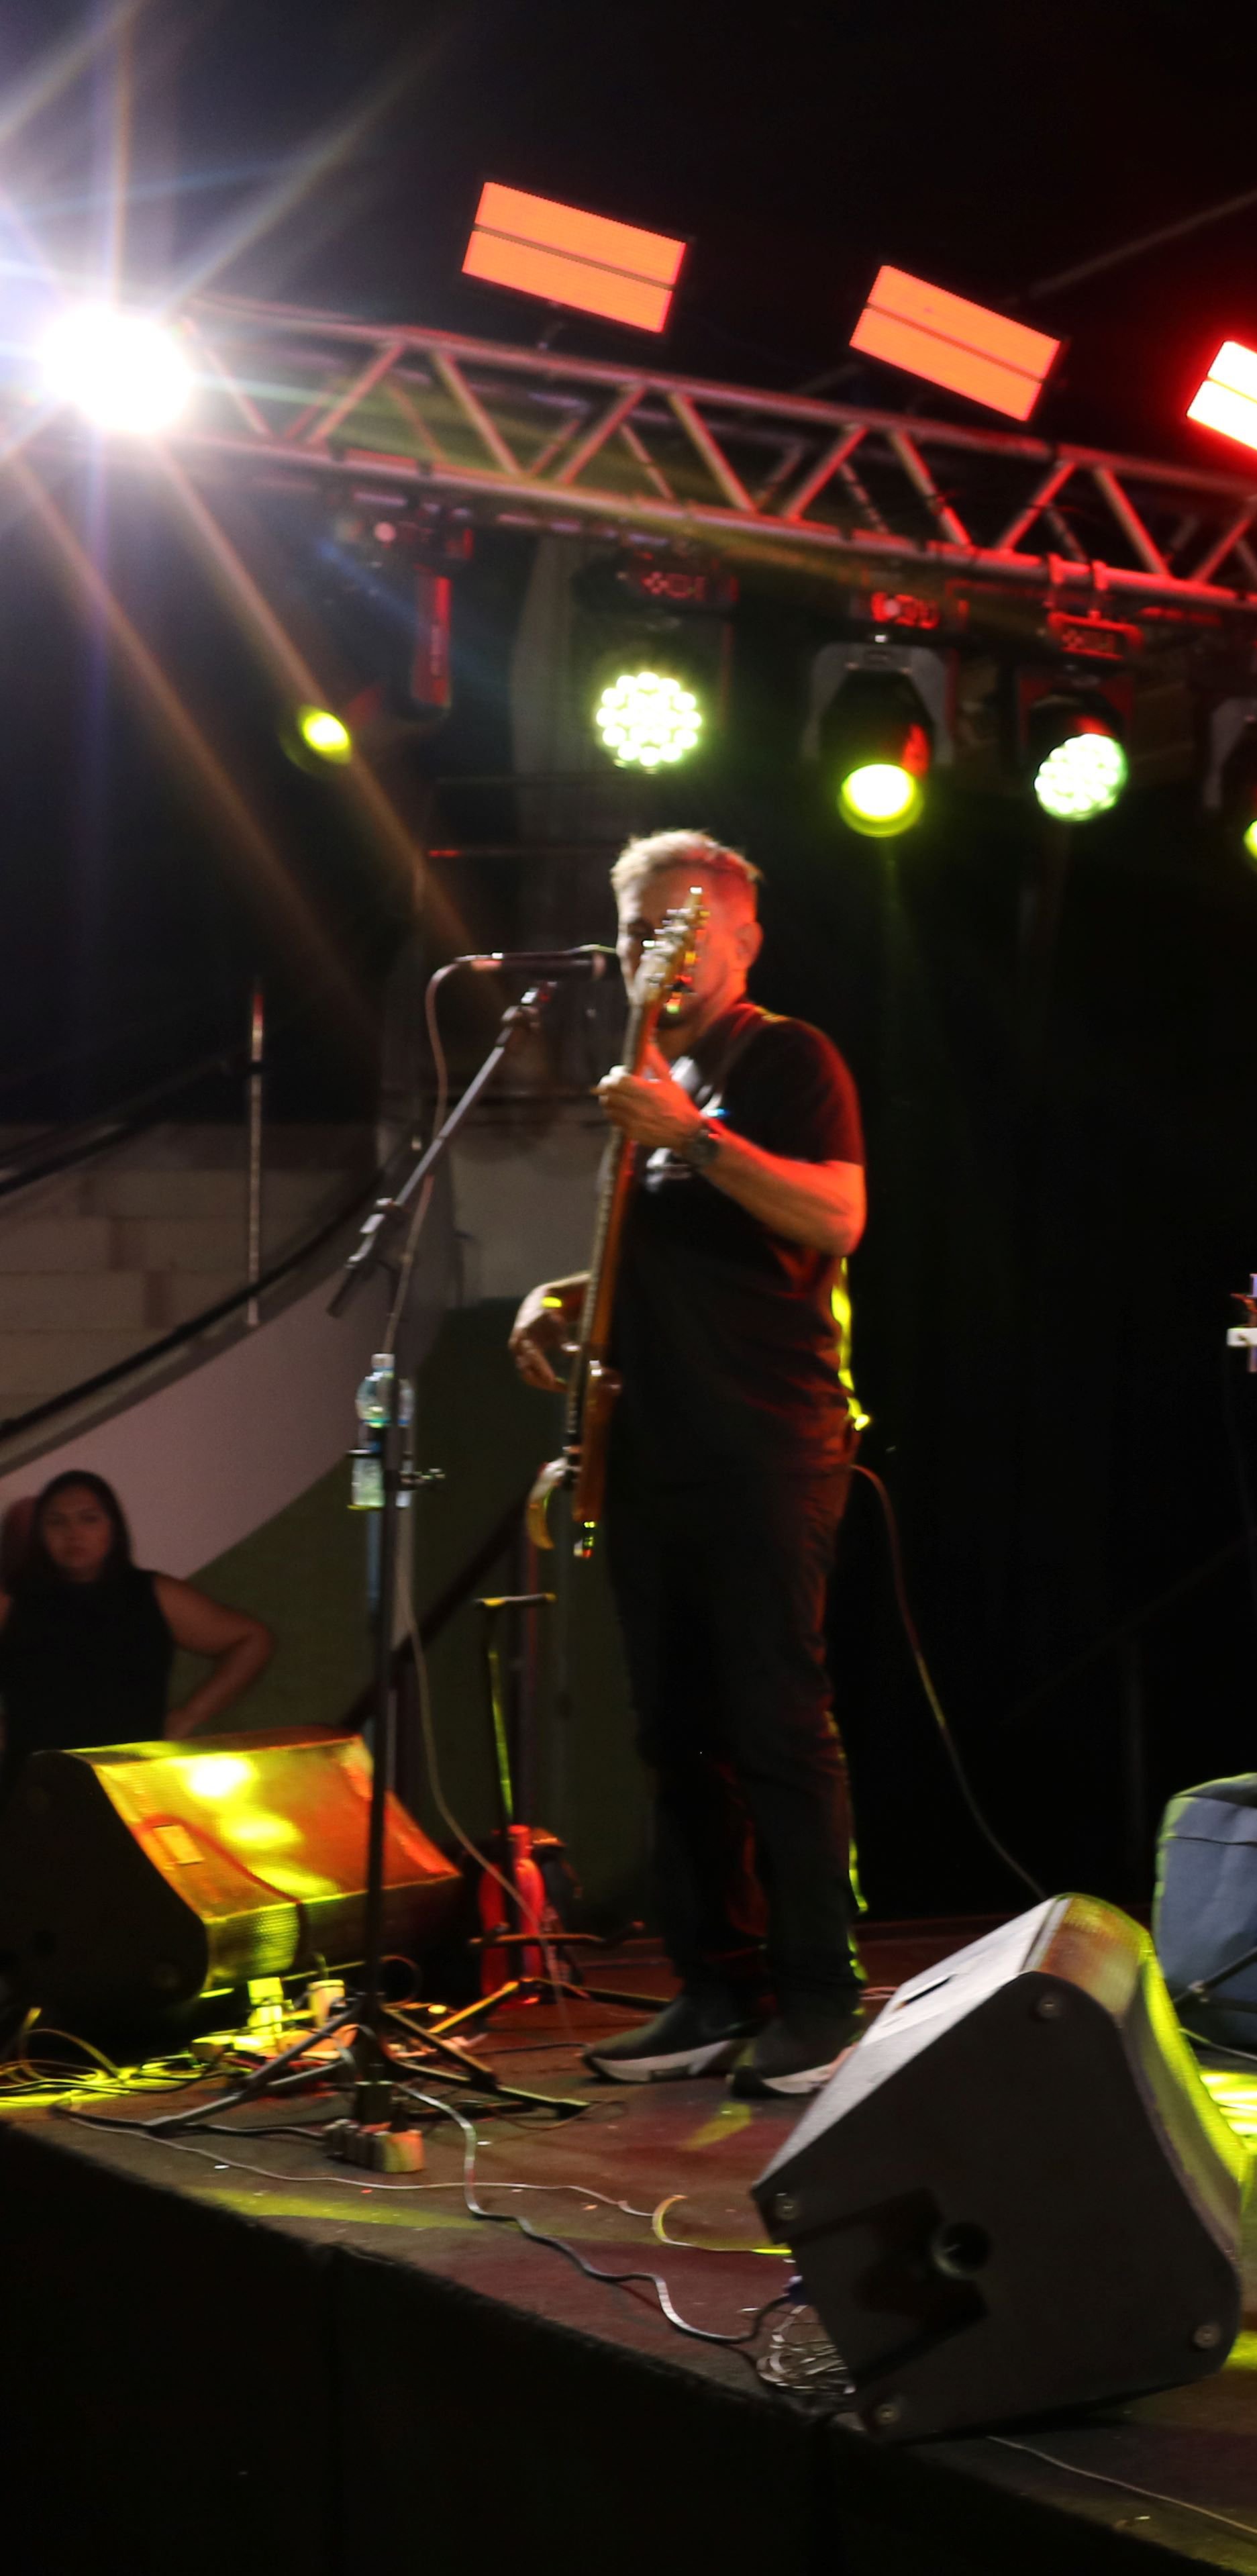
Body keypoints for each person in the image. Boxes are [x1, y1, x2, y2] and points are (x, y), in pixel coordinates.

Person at [510, 832, 870, 2098]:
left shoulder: (783, 1058)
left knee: (776, 1721)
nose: (657, 954)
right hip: (654, 1449)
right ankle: (718, 1988)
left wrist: (695, 1135)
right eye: (637, 932)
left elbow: (836, 1215)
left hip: (765, 1442)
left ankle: (819, 1999)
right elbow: (670, 1254)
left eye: (682, 929)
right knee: (675, 1733)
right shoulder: (655, 1078)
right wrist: (559, 1301)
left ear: (741, 940)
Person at [0, 1470, 272, 1758]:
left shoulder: (155, 1595)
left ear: (113, 1527)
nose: (73, 1533)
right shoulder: (12, 1602)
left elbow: (252, 1639)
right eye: (56, 1522)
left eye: (89, 1519)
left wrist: (190, 1714)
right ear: (40, 1534)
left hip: (133, 1770)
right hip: (38, 1776)